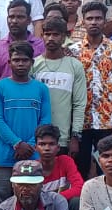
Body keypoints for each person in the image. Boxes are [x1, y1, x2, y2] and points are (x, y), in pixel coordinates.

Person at [0, 41, 52, 202]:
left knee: (30, 200)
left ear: (32, 62)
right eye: (16, 60)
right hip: (4, 156)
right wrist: (17, 143)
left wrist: (30, 145)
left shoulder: (41, 88)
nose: (20, 64)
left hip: (33, 155)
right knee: (1, 200)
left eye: (25, 60)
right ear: (9, 62)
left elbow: (45, 121)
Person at [76, 1, 112, 177]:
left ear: (105, 21)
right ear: (82, 21)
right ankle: (83, 203)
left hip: (107, 120)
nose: (94, 22)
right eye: (89, 18)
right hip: (81, 121)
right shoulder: (72, 51)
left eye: (98, 18)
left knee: (106, 167)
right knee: (80, 167)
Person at [32, 16, 87, 157]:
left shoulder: (75, 65)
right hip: (36, 138)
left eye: (55, 34)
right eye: (47, 34)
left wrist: (75, 137)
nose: (50, 38)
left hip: (63, 139)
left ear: (64, 37)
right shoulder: (33, 65)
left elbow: (79, 104)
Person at [0, 0, 45, 80]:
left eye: (20, 17)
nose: (14, 21)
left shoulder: (42, 47)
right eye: (11, 17)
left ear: (29, 20)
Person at [36, 124, 84, 210]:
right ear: (36, 148)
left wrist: (53, 199)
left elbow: (80, 188)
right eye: (42, 144)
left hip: (62, 208)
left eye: (51, 144)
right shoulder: (31, 167)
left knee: (76, 201)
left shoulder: (65, 161)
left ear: (58, 147)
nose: (47, 148)